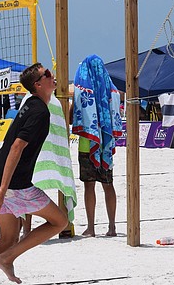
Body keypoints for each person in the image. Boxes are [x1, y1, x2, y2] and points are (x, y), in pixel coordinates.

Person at [0, 63, 67, 285]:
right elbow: (17, 147)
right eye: (47, 74)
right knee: (59, 222)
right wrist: (4, 190)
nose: (52, 75)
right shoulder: (39, 111)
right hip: (12, 185)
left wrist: (1, 187)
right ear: (38, 84)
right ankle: (8, 258)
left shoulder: (30, 104)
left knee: (7, 238)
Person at [72, 55, 123, 238]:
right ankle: (112, 227)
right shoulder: (112, 91)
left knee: (89, 187)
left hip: (87, 144)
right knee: (108, 185)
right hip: (106, 146)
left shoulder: (82, 89)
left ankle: (91, 227)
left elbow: (74, 114)